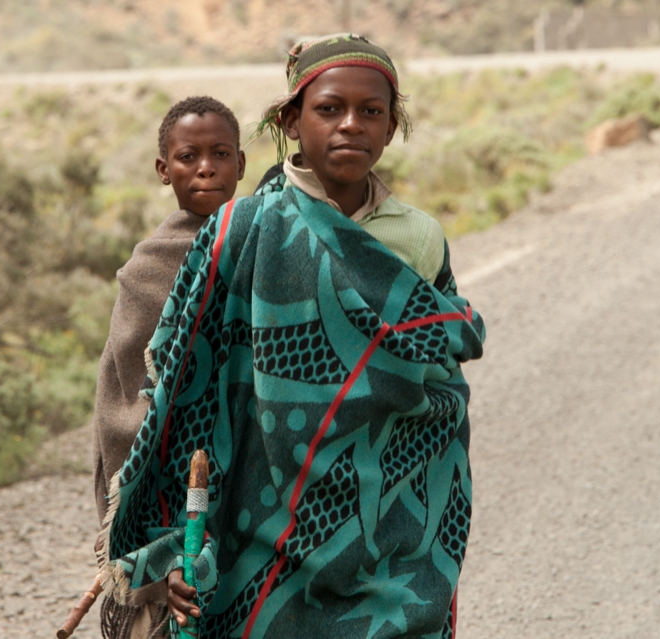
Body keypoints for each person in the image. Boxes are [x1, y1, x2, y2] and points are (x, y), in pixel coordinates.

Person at [98, 34, 485, 639]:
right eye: (329, 109)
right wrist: (172, 547)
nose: (351, 125)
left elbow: (438, 387)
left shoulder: (419, 238)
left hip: (391, 526)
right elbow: (186, 396)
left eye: (372, 112)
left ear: (392, 127)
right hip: (258, 525)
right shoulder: (244, 231)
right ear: (291, 121)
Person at [92, 95, 246, 639]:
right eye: (188, 156)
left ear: (240, 165)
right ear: (164, 169)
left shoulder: (258, 244)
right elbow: (124, 403)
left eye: (220, 153)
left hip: (248, 481)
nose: (205, 167)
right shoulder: (149, 266)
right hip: (175, 493)